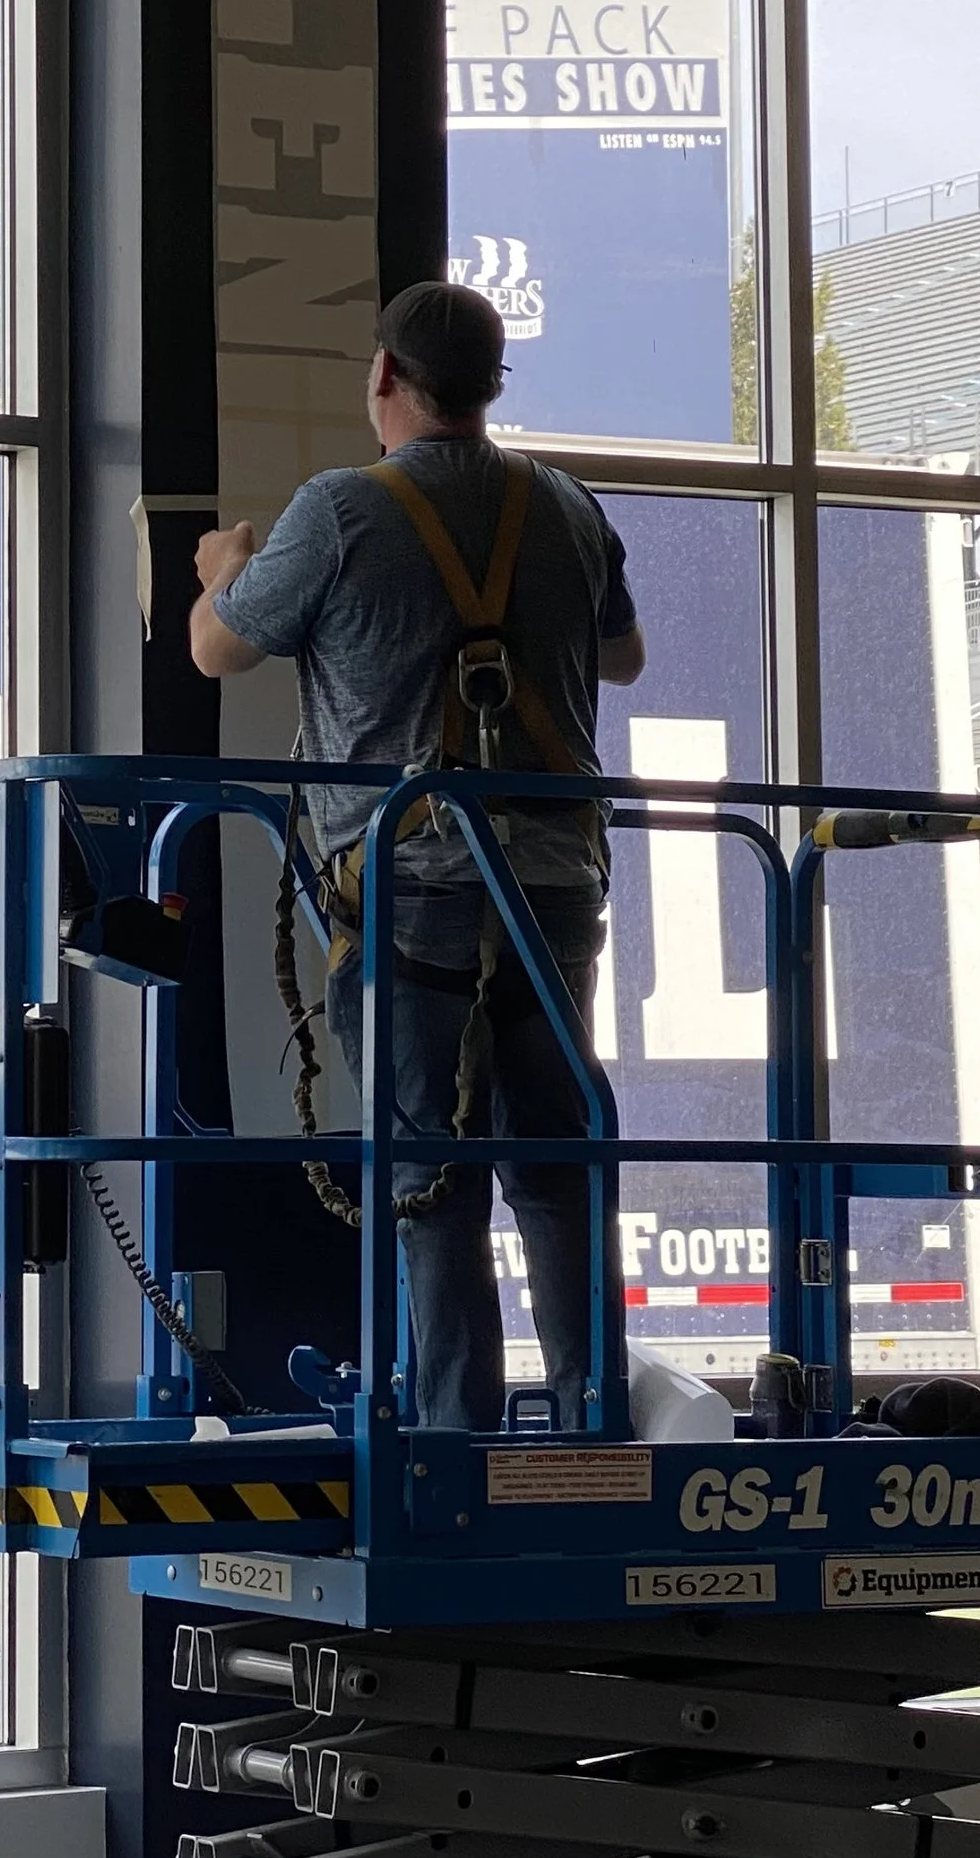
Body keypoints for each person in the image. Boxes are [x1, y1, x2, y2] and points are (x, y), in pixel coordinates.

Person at [188, 278, 645, 1434]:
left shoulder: (342, 511)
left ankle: (454, 1442)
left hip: (406, 898)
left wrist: (220, 573)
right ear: (492, 385)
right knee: (555, 1168)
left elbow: (215, 653)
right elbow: (624, 658)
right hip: (553, 892)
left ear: (385, 376)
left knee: (426, 1179)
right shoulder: (570, 508)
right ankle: (589, 1418)